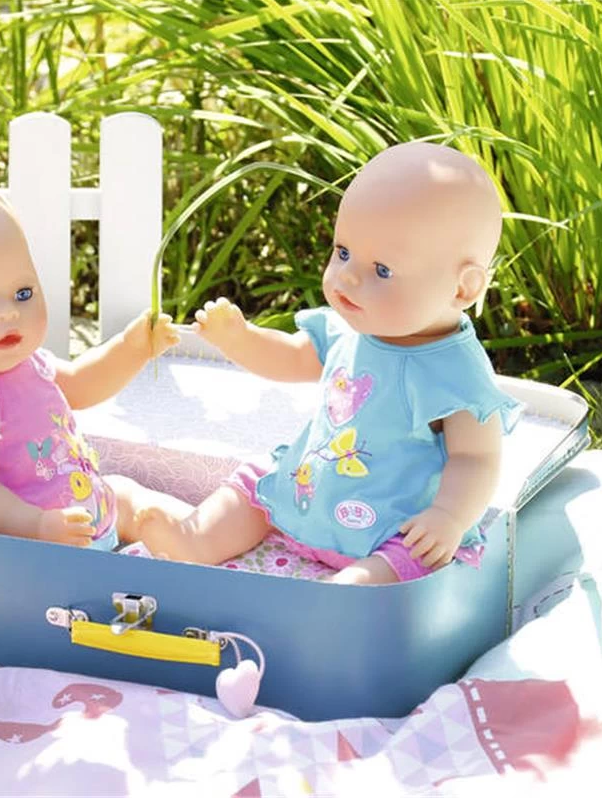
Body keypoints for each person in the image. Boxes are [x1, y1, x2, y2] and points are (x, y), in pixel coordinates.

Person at [128, 142, 523, 584]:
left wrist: (448, 516)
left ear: (463, 288)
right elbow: (292, 357)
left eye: (383, 270)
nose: (347, 277)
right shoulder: (348, 325)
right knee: (256, 487)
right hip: (308, 491)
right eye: (343, 252)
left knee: (411, 559)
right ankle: (196, 539)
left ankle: (347, 591)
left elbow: (476, 458)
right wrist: (241, 340)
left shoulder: (455, 373)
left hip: (393, 522)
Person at [0, 175, 180, 550]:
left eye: (22, 293)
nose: (8, 314)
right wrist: (36, 526)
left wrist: (132, 348)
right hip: (21, 547)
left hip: (81, 515)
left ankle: (207, 538)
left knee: (137, 501)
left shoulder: (25, 363)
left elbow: (82, 384)